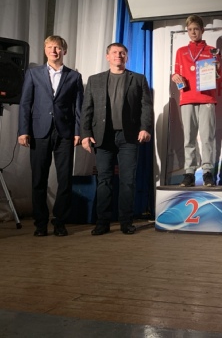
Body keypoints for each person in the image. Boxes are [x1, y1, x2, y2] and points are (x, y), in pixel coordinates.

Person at [81, 43, 153, 235]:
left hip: (129, 137)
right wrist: (85, 134)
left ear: (126, 57)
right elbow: (87, 109)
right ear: (108, 57)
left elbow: (146, 106)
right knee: (104, 180)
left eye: (122, 53)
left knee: (128, 181)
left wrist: (145, 128)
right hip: (102, 137)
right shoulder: (94, 80)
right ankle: (102, 223)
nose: (118, 56)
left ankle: (126, 222)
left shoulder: (138, 79)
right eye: (114, 53)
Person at [18, 35, 84, 237]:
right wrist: (23, 131)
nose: (54, 51)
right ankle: (40, 223)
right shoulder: (33, 73)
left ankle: (60, 222)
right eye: (50, 47)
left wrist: (78, 132)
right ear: (45, 50)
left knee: (64, 180)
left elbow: (78, 108)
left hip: (64, 133)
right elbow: (25, 104)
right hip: (39, 132)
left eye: (57, 48)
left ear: (64, 51)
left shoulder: (74, 76)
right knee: (39, 179)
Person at [171, 15, 220, 187]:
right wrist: (175, 76)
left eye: (196, 29)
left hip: (206, 97)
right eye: (190, 29)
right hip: (187, 98)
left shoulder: (212, 50)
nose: (193, 32)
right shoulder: (181, 51)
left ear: (202, 30)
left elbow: (217, 75)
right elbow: (176, 72)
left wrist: (216, 69)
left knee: (207, 137)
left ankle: (208, 172)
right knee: (189, 138)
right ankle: (189, 173)